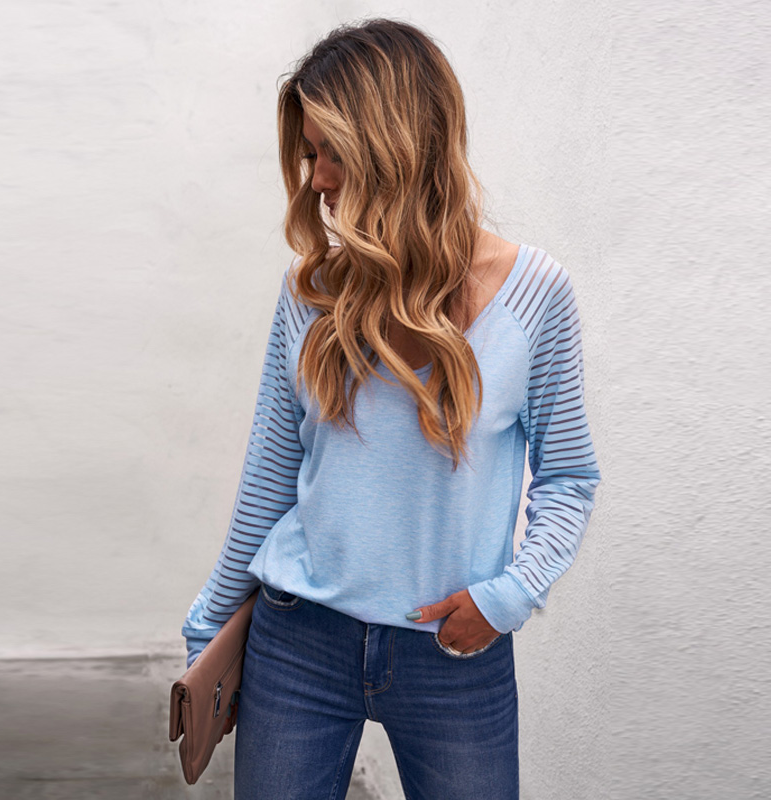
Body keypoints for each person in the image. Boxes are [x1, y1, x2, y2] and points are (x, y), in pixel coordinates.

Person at [181, 17, 601, 800]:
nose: (316, 179)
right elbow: (270, 475)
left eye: (332, 152)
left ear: (396, 146)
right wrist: (211, 624)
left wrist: (508, 597)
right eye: (310, 154)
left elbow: (569, 477)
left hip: (453, 655)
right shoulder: (310, 293)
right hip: (296, 641)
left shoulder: (535, 294)